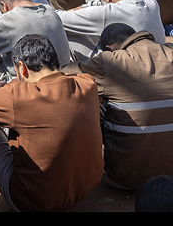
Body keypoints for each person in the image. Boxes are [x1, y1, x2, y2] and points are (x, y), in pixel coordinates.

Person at [0, 34, 104, 212]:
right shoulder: (86, 83)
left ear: (22, 68)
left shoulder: (21, 95)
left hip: (33, 201)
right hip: (84, 190)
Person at [62, 23, 173, 191]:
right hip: (170, 175)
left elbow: (62, 74)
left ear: (109, 48)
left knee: (90, 102)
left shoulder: (109, 61)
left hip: (126, 177)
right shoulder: (170, 51)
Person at [56, 0, 166, 60]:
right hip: (156, 58)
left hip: (125, 66)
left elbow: (59, 18)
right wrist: (84, 7)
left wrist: (72, 11)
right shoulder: (150, 1)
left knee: (66, 29)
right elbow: (102, 4)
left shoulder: (108, 13)